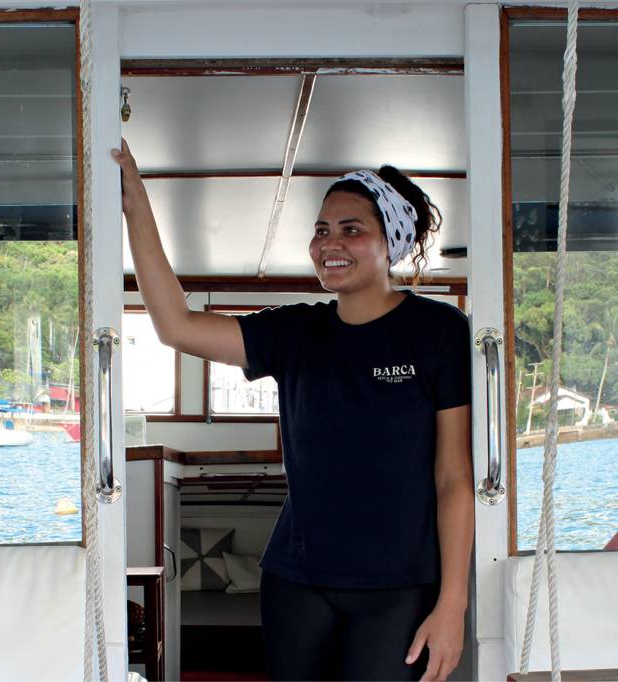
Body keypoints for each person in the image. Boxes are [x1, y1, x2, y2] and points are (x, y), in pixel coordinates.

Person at [112, 140, 474, 682]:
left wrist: (453, 605)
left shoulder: (437, 331)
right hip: (298, 582)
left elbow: (453, 477)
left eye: (352, 229)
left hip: (398, 586)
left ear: (390, 242)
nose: (330, 243)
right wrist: (135, 202)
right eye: (322, 229)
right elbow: (177, 326)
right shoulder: (296, 332)